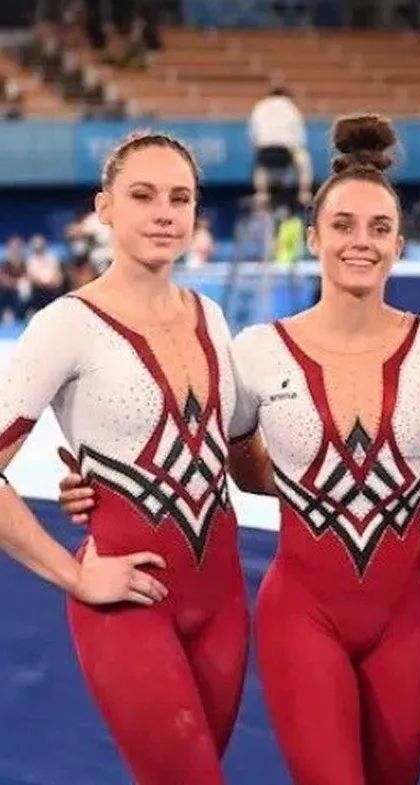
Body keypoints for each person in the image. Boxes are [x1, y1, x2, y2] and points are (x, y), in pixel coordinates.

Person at [60, 114, 420, 785]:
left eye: (379, 228)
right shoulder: (258, 351)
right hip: (303, 616)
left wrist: (408, 491)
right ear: (314, 236)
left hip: (408, 623)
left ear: (400, 244)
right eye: (343, 225)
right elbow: (230, 465)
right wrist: (100, 483)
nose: (361, 242)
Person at [0, 131, 254, 784]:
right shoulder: (66, 325)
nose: (164, 213)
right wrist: (75, 576)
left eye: (180, 198)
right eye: (143, 196)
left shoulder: (212, 316)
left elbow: (238, 456)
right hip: (128, 605)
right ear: (104, 208)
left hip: (223, 604)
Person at [249, 86, 313, 209]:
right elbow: (299, 133)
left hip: (265, 150)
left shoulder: (260, 106)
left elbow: (253, 133)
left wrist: (258, 146)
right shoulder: (291, 107)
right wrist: (296, 148)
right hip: (286, 149)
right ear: (285, 96)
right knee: (303, 158)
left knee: (260, 166)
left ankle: (262, 193)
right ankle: (304, 193)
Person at [26, 233, 66, 308]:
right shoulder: (30, 261)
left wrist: (53, 283)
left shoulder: (52, 259)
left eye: (40, 245)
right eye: (36, 246)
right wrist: (42, 283)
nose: (39, 247)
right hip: (38, 291)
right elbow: (31, 277)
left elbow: (59, 277)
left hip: (53, 291)